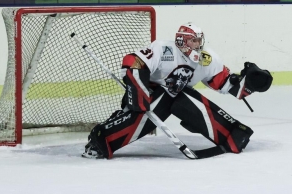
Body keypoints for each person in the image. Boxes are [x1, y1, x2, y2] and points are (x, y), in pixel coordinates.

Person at [83, 22, 272, 159]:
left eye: (199, 41)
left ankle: (231, 134)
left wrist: (249, 84)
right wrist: (137, 87)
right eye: (194, 41)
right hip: (147, 93)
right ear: (182, 41)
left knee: (182, 97)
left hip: (175, 95)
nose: (198, 45)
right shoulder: (163, 49)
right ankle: (102, 138)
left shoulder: (207, 59)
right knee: (160, 100)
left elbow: (224, 83)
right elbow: (134, 62)